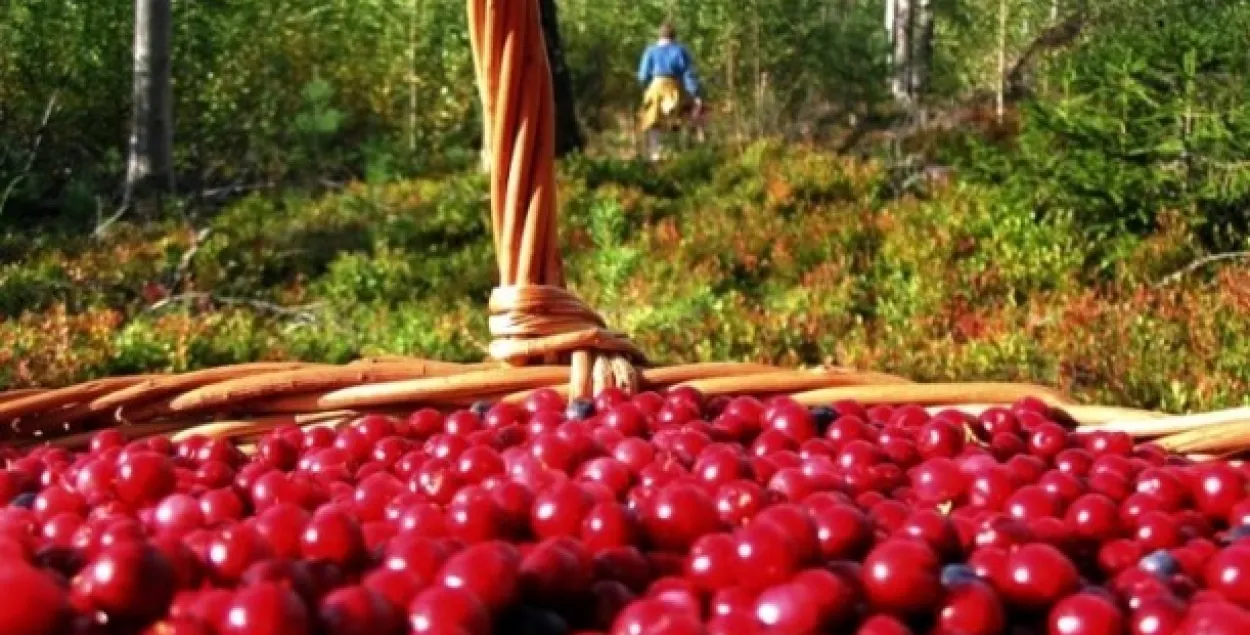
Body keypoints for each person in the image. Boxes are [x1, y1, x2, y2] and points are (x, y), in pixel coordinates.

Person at [637, 21, 702, 162]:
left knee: (653, 121)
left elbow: (642, 76)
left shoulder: (650, 51)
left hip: (655, 87)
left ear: (659, 36)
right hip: (673, 88)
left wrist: (646, 87)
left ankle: (655, 155)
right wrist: (695, 94)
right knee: (675, 120)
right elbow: (688, 74)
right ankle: (675, 155)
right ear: (674, 37)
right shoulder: (680, 51)